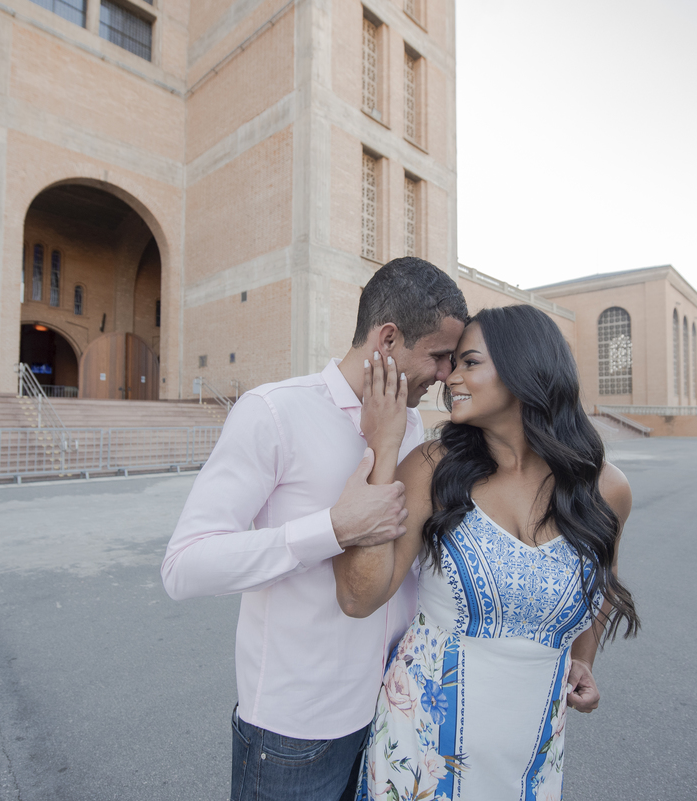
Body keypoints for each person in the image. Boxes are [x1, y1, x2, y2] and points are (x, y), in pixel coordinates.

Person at [161, 257, 469, 801]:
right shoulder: (275, 413)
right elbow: (184, 566)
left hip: (390, 715)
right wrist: (330, 529)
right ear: (389, 338)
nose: (446, 375)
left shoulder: (413, 423)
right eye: (439, 356)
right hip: (295, 731)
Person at [334, 304, 640, 801]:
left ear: (524, 370)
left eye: (468, 362)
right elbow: (358, 597)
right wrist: (384, 449)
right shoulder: (434, 468)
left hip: (533, 753)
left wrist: (583, 660)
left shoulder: (606, 489)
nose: (449, 377)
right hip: (420, 752)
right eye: (452, 363)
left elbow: (600, 581)